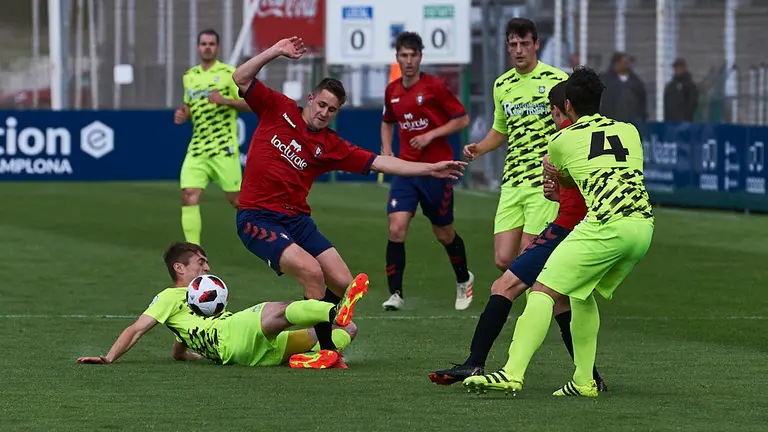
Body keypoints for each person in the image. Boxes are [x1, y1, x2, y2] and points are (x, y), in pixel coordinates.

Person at [231, 36, 467, 365]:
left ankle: (312, 326)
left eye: (332, 110)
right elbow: (240, 77)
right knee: (312, 273)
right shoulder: (278, 108)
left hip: (296, 220)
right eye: (321, 105)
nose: (324, 113)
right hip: (257, 217)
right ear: (310, 99)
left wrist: (430, 168)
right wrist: (275, 50)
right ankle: (325, 350)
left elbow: (382, 162)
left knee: (343, 283)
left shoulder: (331, 145)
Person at [463, 67, 654, 397]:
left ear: (567, 105)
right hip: (642, 227)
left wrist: (557, 175)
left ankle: (511, 373)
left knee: (541, 290)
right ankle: (584, 381)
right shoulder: (629, 131)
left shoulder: (560, 141)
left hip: (605, 225)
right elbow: (603, 172)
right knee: (579, 295)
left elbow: (568, 179)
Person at [429, 81, 606, 391]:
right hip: (588, 228)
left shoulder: (563, 139)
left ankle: (476, 361)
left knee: (505, 285)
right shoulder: (601, 135)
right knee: (562, 300)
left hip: (567, 229)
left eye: (552, 112)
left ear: (562, 109)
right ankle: (590, 376)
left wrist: (558, 182)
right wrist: (560, 193)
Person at [76, 242, 367, 369]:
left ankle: (317, 356)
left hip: (252, 355)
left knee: (349, 330)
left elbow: (178, 349)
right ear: (179, 268)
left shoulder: (189, 309)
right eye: (200, 262)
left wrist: (192, 354)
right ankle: (334, 309)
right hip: (232, 333)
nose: (207, 268)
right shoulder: (169, 296)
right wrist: (109, 357)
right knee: (281, 309)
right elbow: (136, 329)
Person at [463, 18, 569, 271]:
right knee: (503, 259)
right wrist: (480, 148)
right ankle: (549, 286)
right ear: (507, 47)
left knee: (529, 254)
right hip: (512, 181)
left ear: (536, 45)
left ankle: (541, 296)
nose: (519, 50)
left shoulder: (557, 80)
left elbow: (570, 127)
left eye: (525, 43)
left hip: (543, 181)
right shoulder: (502, 84)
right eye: (514, 44)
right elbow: (501, 129)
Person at [380, 32, 473, 312]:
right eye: (404, 55)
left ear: (420, 57)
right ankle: (395, 294)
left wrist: (431, 135)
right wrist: (387, 150)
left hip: (437, 171)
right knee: (396, 227)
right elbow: (387, 121)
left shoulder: (435, 87)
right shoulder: (392, 90)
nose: (409, 61)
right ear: (397, 57)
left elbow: (462, 119)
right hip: (407, 170)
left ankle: (463, 279)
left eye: (413, 55)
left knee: (444, 233)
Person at [174, 29, 251, 246]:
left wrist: (225, 101)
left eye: (211, 44)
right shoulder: (189, 77)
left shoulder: (230, 74)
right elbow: (189, 106)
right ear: (198, 47)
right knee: (188, 194)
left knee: (237, 200)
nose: (207, 47)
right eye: (203, 44)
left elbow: (250, 103)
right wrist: (184, 113)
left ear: (217, 47)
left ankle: (269, 239)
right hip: (198, 148)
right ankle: (194, 251)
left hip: (224, 148)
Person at [600, 52, 648, 123]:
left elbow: (642, 100)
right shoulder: (605, 80)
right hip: (611, 121)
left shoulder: (635, 81)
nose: (627, 65)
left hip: (632, 121)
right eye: (624, 62)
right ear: (616, 63)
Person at [664, 58, 698, 122]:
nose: (677, 70)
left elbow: (692, 103)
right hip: (670, 122)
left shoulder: (690, 85)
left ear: (684, 68)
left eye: (679, 68)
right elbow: (666, 104)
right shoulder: (670, 86)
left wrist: (685, 117)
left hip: (684, 122)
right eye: (675, 68)